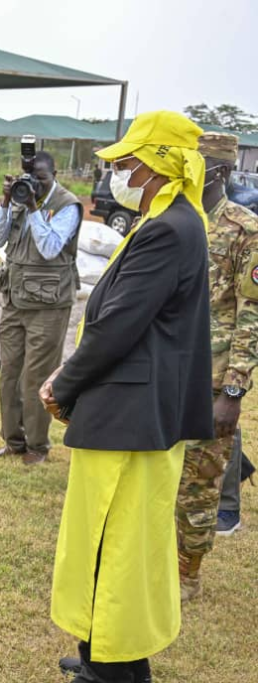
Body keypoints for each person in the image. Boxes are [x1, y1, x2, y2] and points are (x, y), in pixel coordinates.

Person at [40, 111, 213, 683]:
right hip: (135, 412)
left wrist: (64, 383)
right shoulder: (170, 221)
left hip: (131, 415)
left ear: (158, 165)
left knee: (114, 544)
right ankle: (104, 651)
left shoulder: (168, 228)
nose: (117, 173)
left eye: (126, 163)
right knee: (112, 541)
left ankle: (114, 668)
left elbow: (118, 324)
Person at [176, 132, 258, 601]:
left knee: (200, 483)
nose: (190, 170)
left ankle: (187, 573)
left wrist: (233, 392)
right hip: (165, 372)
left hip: (210, 378)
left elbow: (251, 313)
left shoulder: (245, 228)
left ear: (222, 171)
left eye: (200, 163)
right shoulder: (175, 219)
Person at [0, 150, 82, 465]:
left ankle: (37, 446)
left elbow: (50, 247)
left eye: (41, 179)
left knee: (36, 377)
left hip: (48, 305)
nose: (35, 185)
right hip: (14, 299)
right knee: (9, 375)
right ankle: (12, 440)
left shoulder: (67, 205)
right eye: (31, 179)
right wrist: (7, 202)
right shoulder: (19, 197)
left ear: (54, 175)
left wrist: (33, 209)